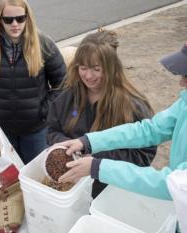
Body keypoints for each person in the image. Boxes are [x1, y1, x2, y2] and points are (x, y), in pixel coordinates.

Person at [57, 43, 187, 201]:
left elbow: (172, 184)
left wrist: (98, 167)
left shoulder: (131, 103)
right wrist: (88, 141)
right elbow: (150, 130)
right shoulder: (184, 103)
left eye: (186, 76)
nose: (181, 83)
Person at [47, 32, 156, 198]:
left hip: (113, 192)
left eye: (96, 69)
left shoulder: (132, 106)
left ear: (111, 68)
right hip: (75, 189)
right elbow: (52, 131)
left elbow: (143, 155)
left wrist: (98, 160)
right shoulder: (67, 96)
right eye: (83, 68)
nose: (88, 76)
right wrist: (67, 147)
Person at [0, 0, 66, 164]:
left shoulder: (44, 45)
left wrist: (44, 111)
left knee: (36, 176)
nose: (15, 24)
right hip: (2, 130)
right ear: (0, 20)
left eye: (20, 18)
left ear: (27, 18)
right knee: (11, 179)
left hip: (36, 130)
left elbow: (62, 83)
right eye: (8, 20)